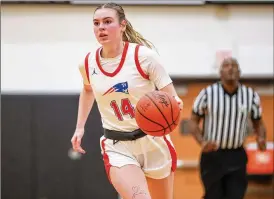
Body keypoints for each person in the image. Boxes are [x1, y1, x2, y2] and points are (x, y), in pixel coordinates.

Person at [70, 3, 183, 199]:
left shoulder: (144, 57)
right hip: (118, 145)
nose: (101, 28)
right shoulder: (87, 64)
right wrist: (80, 127)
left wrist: (175, 103)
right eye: (96, 23)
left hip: (153, 141)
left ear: (122, 25)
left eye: (107, 22)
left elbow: (171, 96)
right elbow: (88, 90)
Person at [189, 57, 267, 199]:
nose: (230, 68)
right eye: (226, 65)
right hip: (213, 155)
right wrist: (201, 141)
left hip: (237, 155)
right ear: (220, 73)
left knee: (236, 195)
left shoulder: (250, 95)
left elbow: (258, 122)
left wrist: (261, 137)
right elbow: (193, 120)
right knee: (213, 195)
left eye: (234, 65)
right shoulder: (207, 93)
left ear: (239, 72)